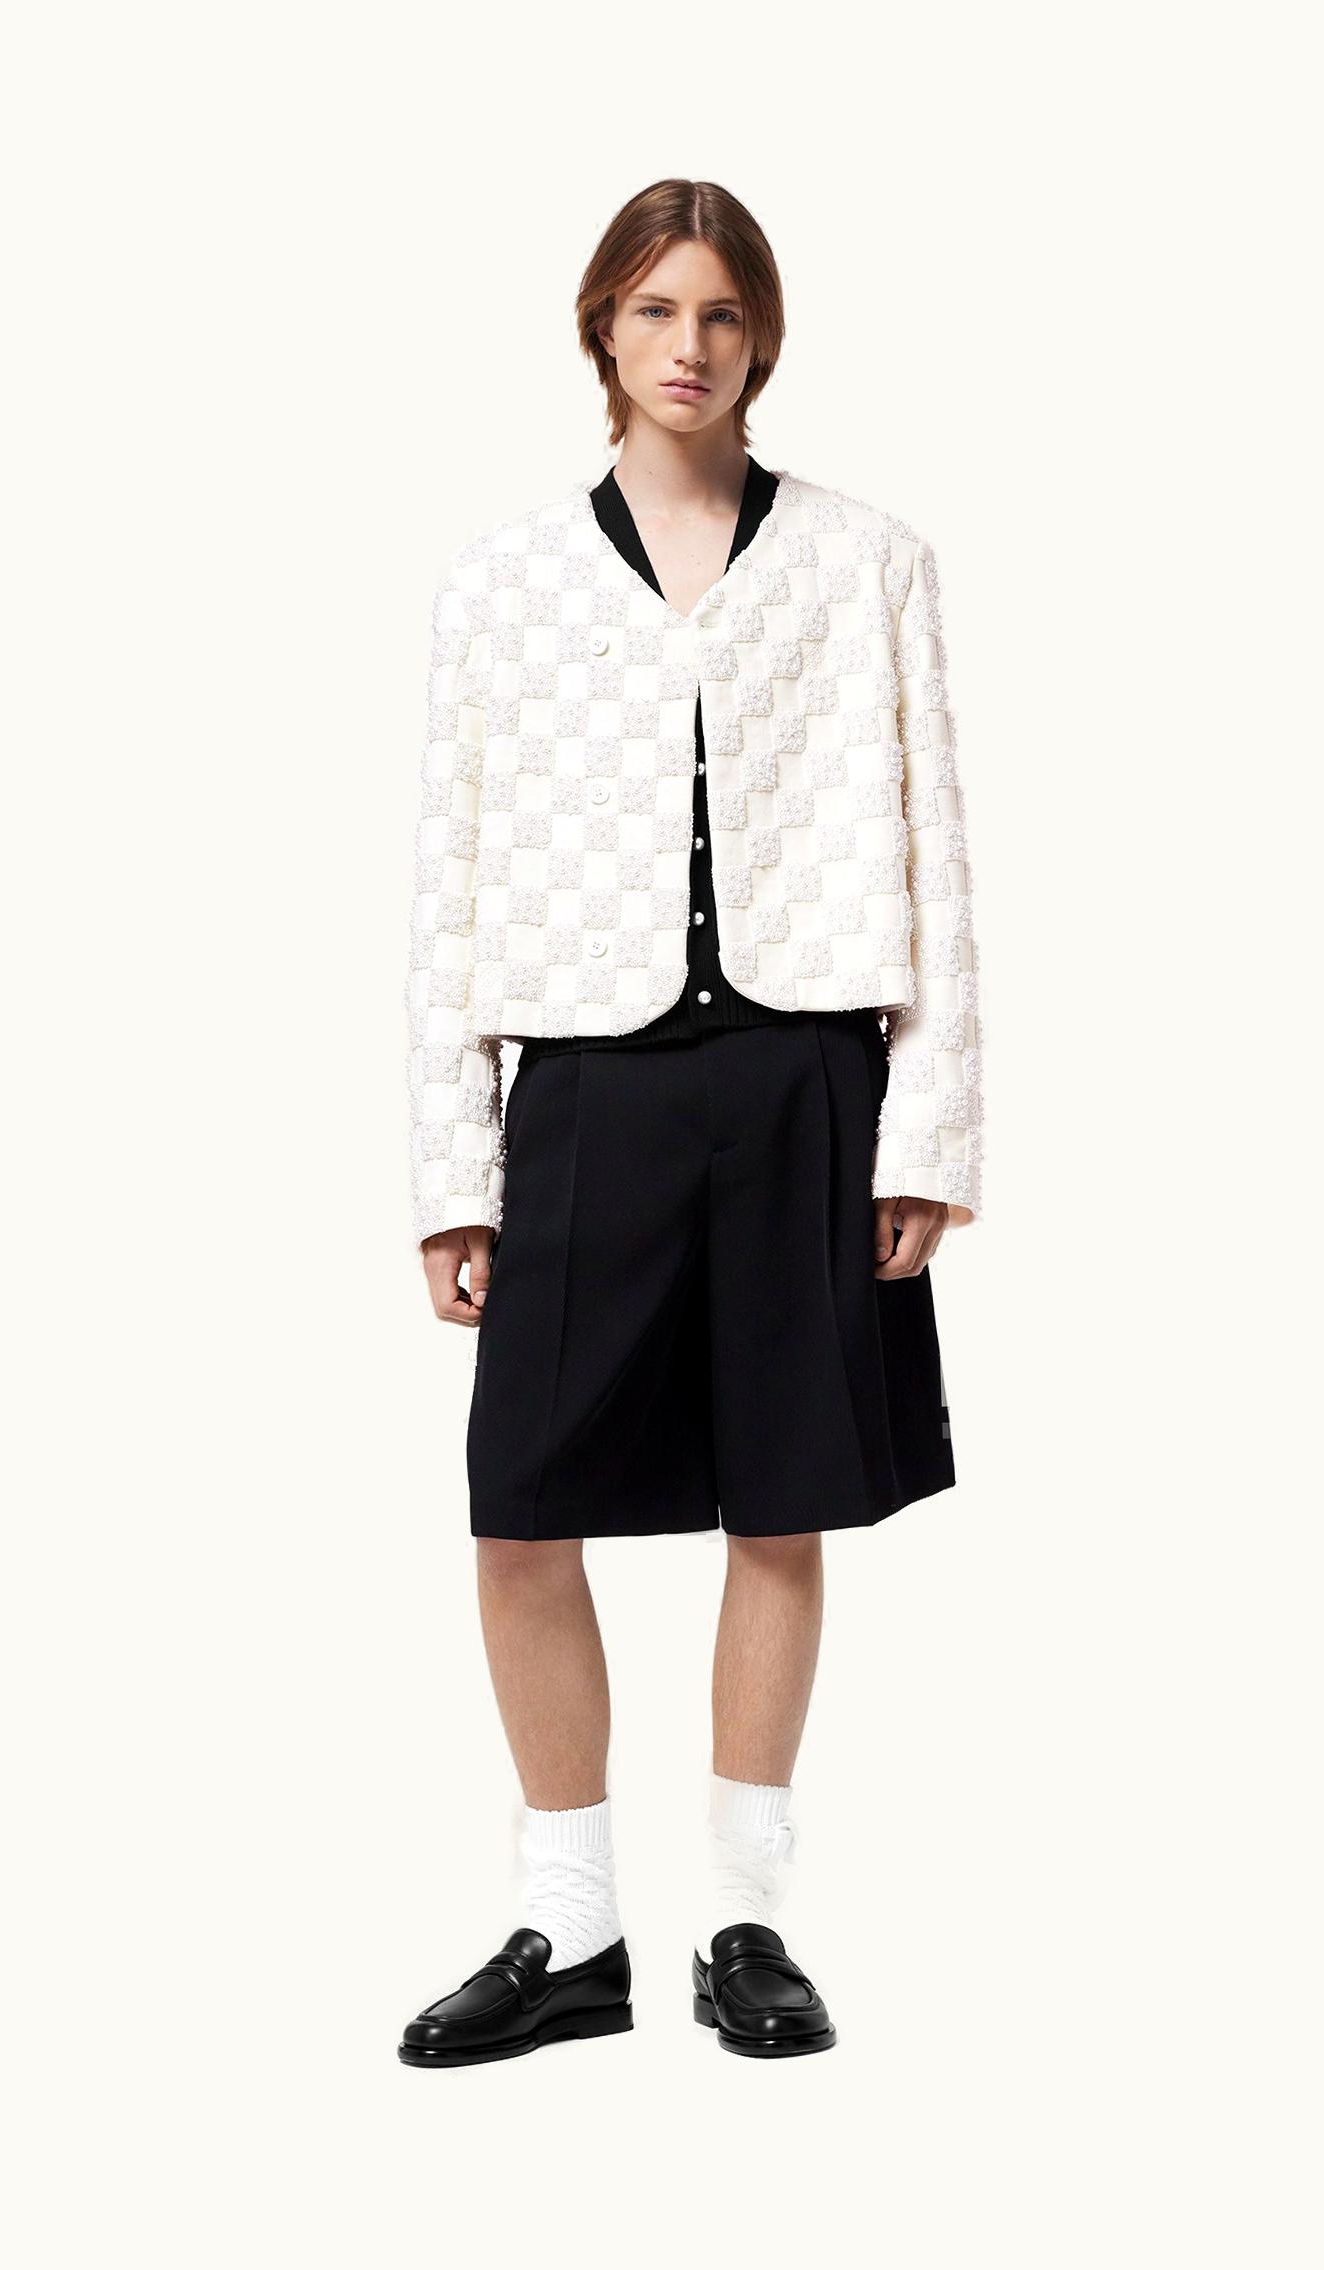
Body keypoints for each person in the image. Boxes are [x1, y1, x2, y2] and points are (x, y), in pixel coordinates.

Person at [397, 178, 986, 2066]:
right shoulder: (502, 582)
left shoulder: (870, 560)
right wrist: (452, 1167)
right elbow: (449, 887)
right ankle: (568, 1923)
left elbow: (937, 845)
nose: (689, 345)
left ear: (762, 339)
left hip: (806, 1074)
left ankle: (745, 1917)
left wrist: (924, 1133)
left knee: (782, 1496)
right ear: (602, 329)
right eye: (655, 309)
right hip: (586, 1083)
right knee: (520, 1507)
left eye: (721, 313)